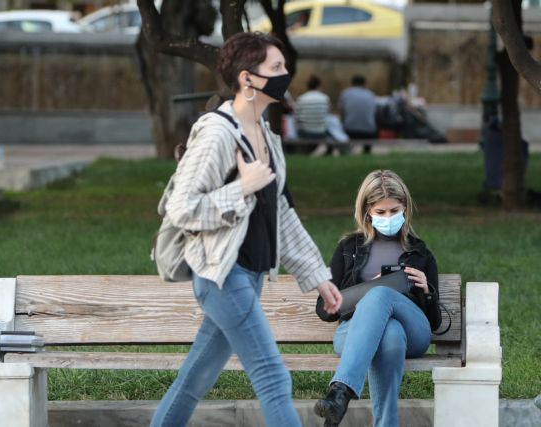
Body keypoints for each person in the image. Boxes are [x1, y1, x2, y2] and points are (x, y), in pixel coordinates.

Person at [151, 32, 343, 427]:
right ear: (247, 78)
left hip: (250, 275)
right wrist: (241, 188)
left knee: (194, 380)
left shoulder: (267, 136)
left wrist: (318, 276)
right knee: (273, 377)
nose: (285, 74)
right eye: (276, 67)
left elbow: (281, 213)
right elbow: (180, 207)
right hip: (223, 277)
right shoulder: (218, 133)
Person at [314, 170, 442, 427]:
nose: (388, 217)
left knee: (382, 294)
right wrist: (366, 288)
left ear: (405, 209)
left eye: (394, 211)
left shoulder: (419, 251)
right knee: (389, 332)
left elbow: (435, 322)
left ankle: (341, 391)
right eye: (381, 212)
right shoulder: (348, 248)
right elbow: (324, 311)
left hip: (413, 332)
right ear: (367, 212)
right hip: (353, 332)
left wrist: (426, 291)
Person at [339, 75, 378, 154]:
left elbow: (342, 113)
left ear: (352, 83)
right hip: (368, 132)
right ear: (365, 84)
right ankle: (367, 152)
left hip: (350, 131)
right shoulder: (371, 94)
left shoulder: (345, 93)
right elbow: (374, 113)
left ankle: (346, 152)